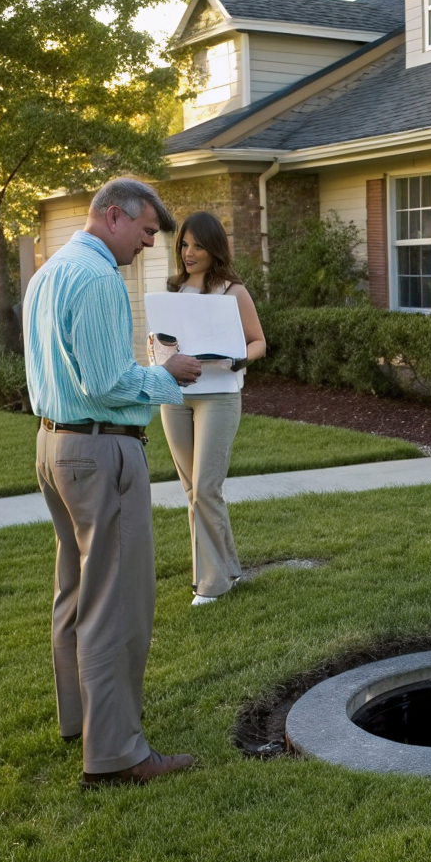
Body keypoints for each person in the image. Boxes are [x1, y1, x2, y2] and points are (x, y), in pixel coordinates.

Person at [22, 177, 202, 789]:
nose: (149, 246)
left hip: (54, 445)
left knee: (74, 593)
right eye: (148, 233)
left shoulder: (50, 272)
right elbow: (105, 384)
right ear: (114, 216)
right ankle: (117, 753)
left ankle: (83, 721)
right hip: (101, 450)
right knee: (115, 603)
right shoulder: (98, 278)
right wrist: (165, 373)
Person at [154, 211, 266, 607]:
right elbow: (164, 343)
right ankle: (227, 571)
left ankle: (211, 585)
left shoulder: (232, 291)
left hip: (219, 397)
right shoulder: (173, 290)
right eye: (184, 244)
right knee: (192, 491)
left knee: (205, 487)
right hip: (176, 397)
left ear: (213, 248)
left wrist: (235, 360)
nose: (188, 252)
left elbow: (258, 343)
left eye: (198, 245)